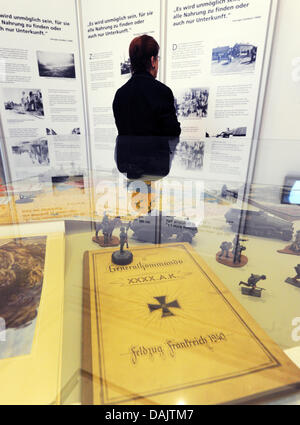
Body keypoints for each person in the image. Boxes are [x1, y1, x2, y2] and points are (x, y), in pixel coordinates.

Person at [113, 35, 181, 179]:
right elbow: (173, 131)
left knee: (136, 199)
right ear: (152, 61)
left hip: (128, 167)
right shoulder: (162, 92)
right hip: (155, 167)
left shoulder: (120, 94)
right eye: (157, 58)